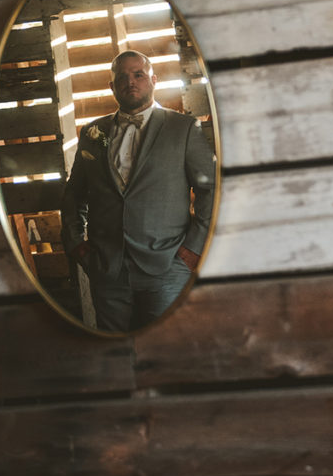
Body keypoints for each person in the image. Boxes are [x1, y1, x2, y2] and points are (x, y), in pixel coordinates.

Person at [60, 50, 216, 332]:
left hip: (168, 266)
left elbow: (211, 189)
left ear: (153, 80)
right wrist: (75, 244)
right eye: (122, 77)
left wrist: (193, 249)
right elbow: (74, 194)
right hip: (107, 270)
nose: (130, 82)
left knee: (166, 349)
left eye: (138, 75)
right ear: (111, 86)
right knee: (117, 353)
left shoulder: (182, 128)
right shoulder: (93, 133)